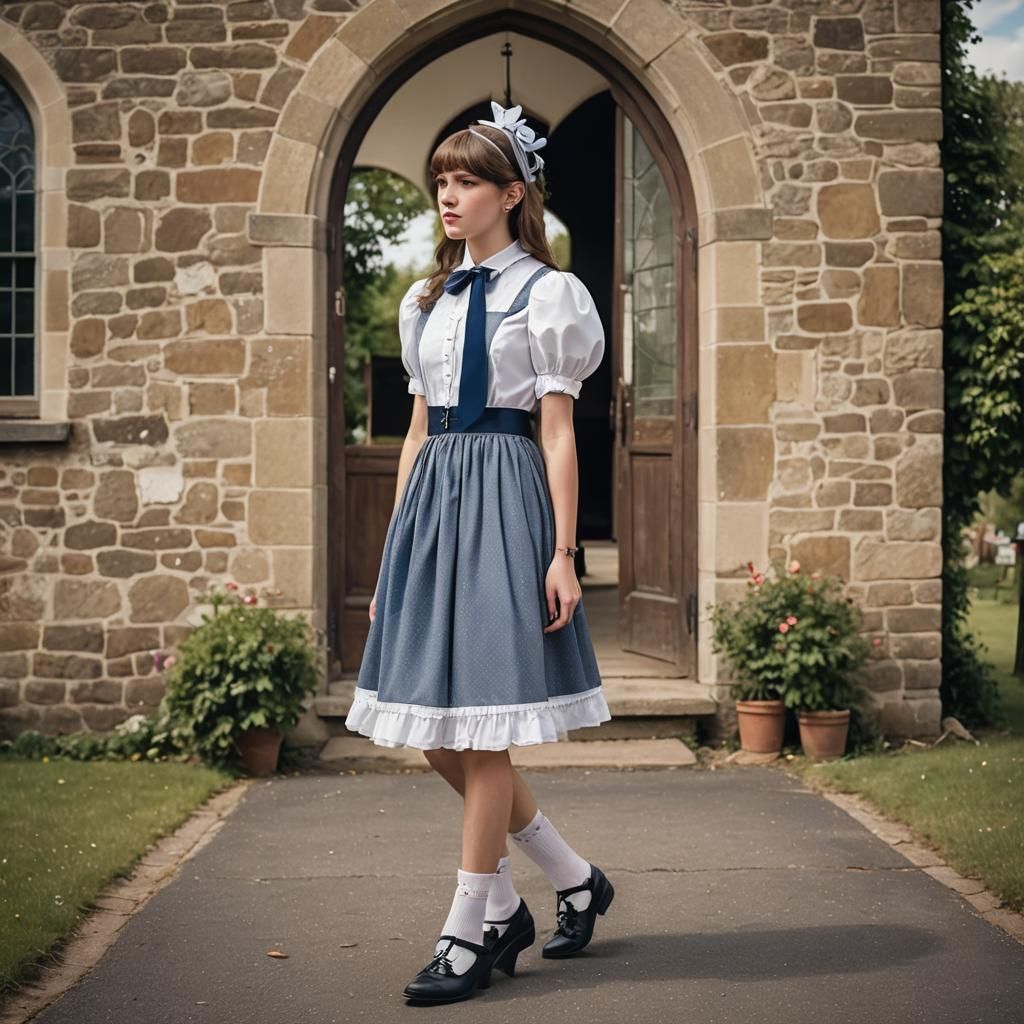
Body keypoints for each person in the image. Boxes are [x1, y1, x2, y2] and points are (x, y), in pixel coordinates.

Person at [344, 100, 615, 1005]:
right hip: (433, 508)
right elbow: (417, 431)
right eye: (441, 182)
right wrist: (392, 556)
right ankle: (565, 880)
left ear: (509, 193)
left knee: (486, 722)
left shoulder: (550, 294)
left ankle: (470, 929)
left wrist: (563, 551)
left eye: (464, 181)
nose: (447, 196)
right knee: (428, 728)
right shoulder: (425, 300)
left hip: (505, 500)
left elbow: (559, 434)